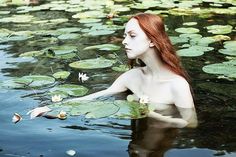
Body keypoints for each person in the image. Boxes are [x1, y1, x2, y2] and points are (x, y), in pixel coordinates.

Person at [68, 13, 198, 128]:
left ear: (152, 41)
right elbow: (98, 96)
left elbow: (191, 123)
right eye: (125, 36)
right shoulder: (131, 76)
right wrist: (56, 108)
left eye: (132, 36)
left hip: (161, 139)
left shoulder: (177, 85)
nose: (124, 41)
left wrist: (151, 115)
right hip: (140, 133)